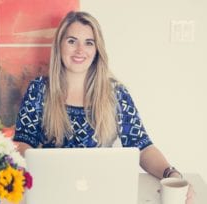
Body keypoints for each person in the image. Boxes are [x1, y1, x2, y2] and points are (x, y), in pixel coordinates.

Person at [13, 11, 194, 203]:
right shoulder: (39, 89)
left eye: (89, 42)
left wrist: (171, 173)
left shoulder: (116, 94)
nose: (80, 50)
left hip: (101, 193)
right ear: (59, 46)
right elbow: (23, 143)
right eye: (72, 41)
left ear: (97, 50)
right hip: (52, 192)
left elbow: (143, 147)